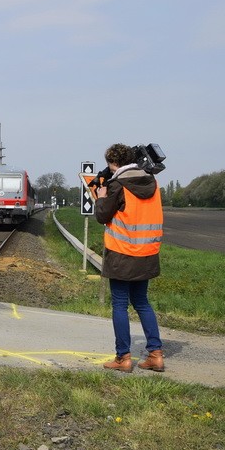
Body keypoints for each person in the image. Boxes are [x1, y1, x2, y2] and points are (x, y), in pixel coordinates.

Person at [95, 143, 165, 373]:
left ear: (113, 163)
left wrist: (101, 196)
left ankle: (123, 358)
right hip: (146, 254)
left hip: (122, 254)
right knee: (142, 302)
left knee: (119, 304)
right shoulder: (153, 183)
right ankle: (155, 354)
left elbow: (103, 215)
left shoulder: (117, 185)